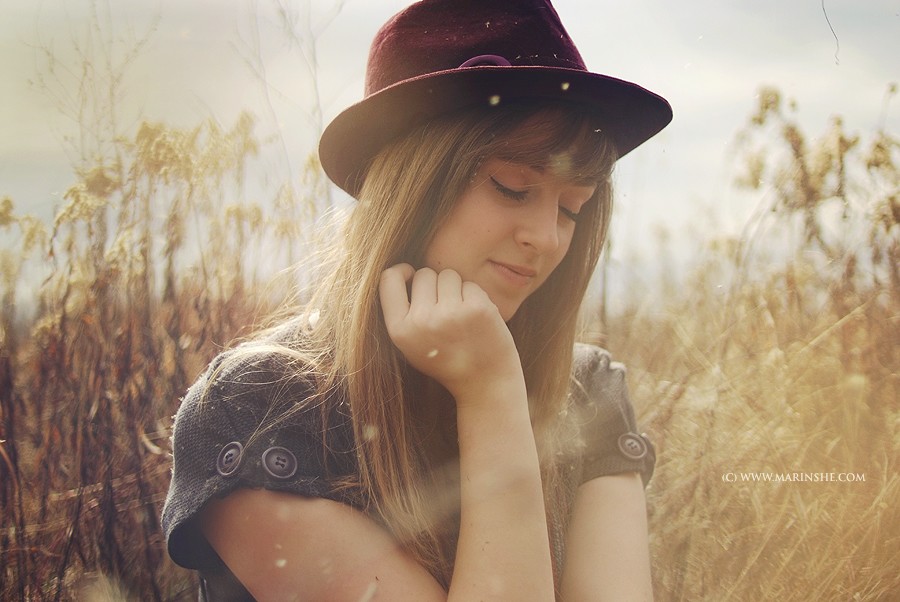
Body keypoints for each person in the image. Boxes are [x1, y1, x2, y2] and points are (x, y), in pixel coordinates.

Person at [161, 0, 671, 599]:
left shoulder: (586, 392)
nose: (548, 237)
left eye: (571, 208)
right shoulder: (259, 408)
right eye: (512, 188)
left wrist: (496, 388)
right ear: (415, 183)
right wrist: (491, 395)